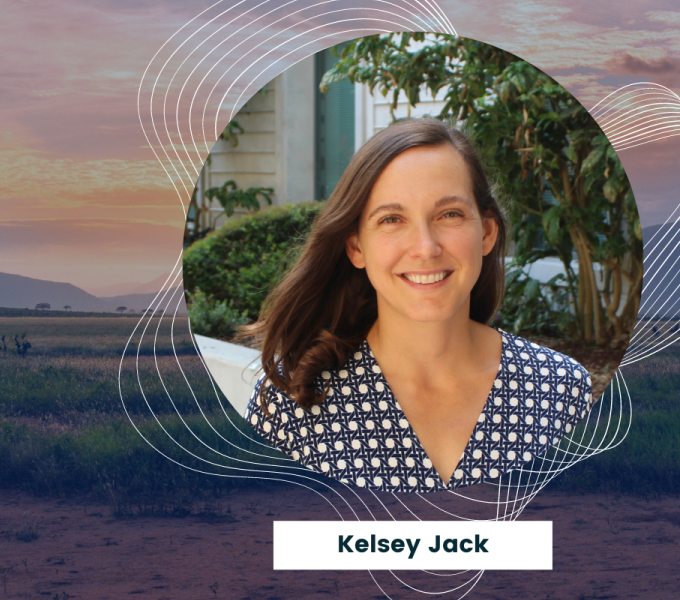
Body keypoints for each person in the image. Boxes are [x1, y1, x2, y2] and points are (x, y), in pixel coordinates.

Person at [242, 117, 594, 492]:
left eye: (449, 215)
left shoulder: (563, 391)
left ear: (487, 232)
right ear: (356, 246)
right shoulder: (291, 402)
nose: (426, 247)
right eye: (392, 219)